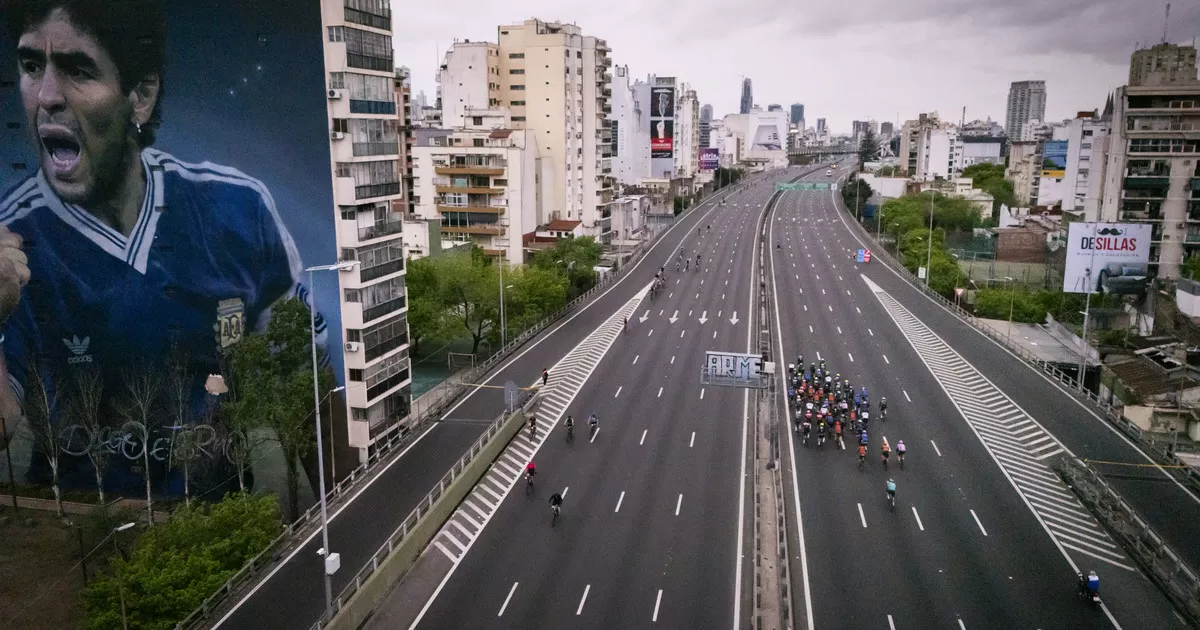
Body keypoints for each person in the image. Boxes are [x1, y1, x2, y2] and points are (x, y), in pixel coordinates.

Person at [0, 0, 340, 493]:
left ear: (140, 96)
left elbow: (307, 385)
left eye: (78, 70)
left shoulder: (236, 210)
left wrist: (348, 514)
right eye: (32, 66)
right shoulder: (13, 242)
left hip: (227, 517)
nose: (47, 96)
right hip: (87, 525)